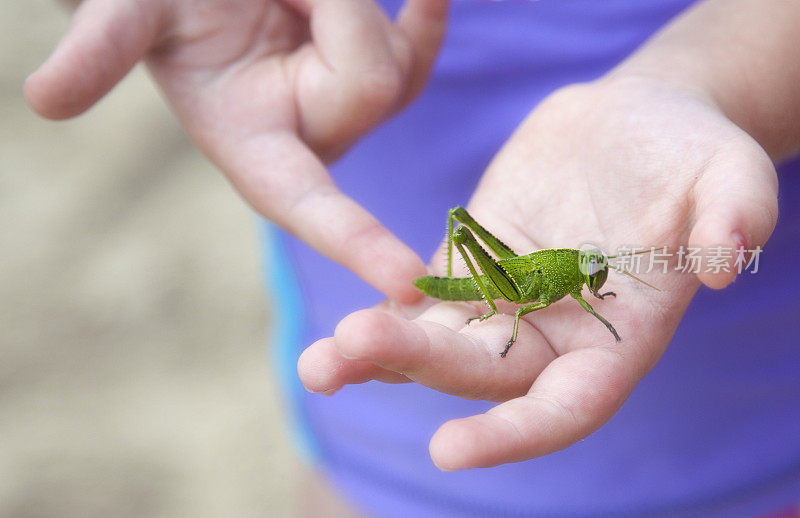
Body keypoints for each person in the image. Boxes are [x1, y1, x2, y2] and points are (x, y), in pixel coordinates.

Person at [26, 0, 800, 516]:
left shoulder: (588, 268)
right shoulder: (557, 280)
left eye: (595, 277)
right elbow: (537, 298)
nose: (595, 281)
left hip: (763, 447)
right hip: (376, 457)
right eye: (593, 275)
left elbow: (587, 280)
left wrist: (706, 80)